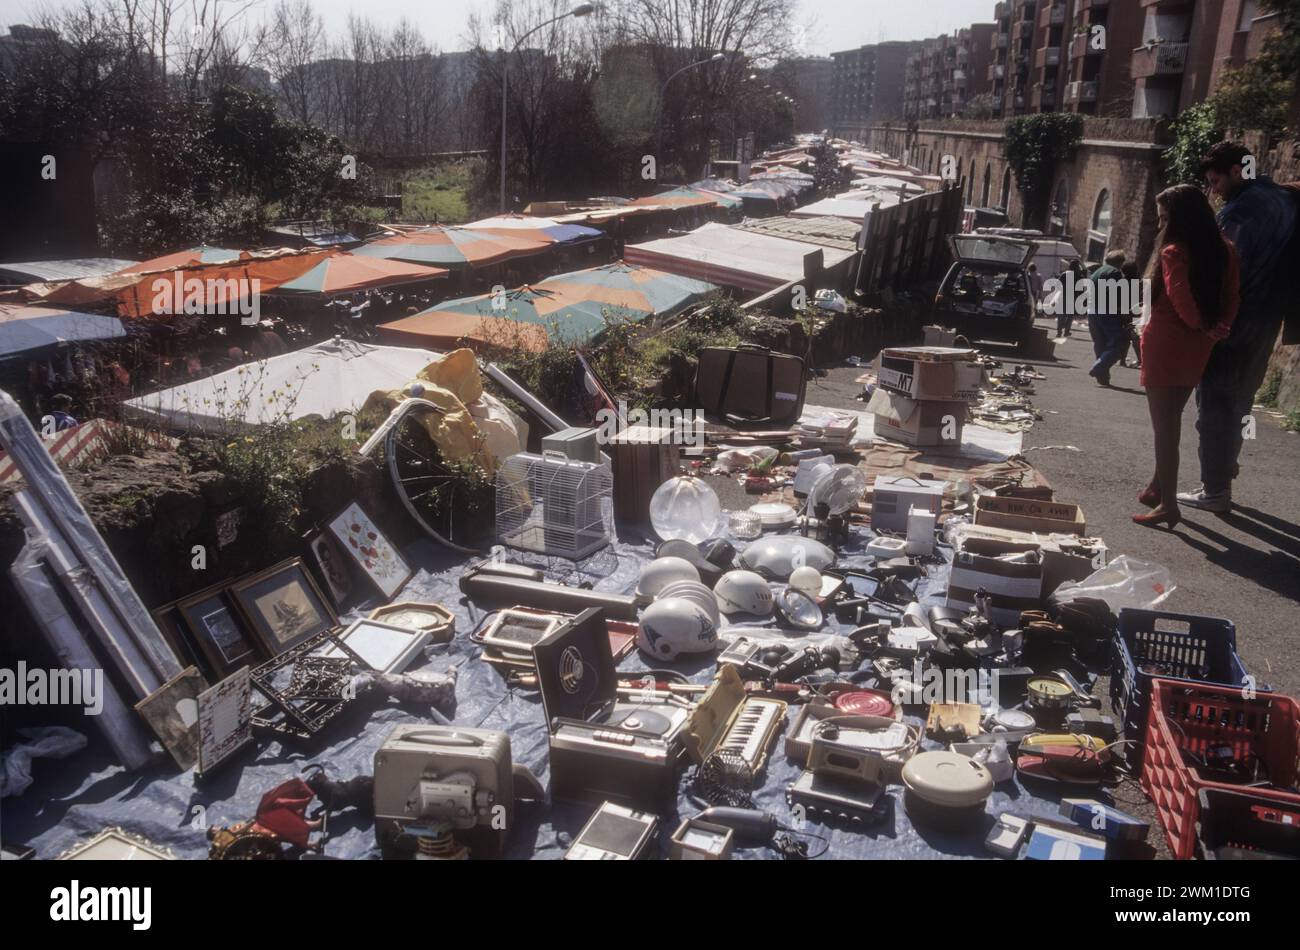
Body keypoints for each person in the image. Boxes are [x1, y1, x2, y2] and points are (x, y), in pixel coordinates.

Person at [1178, 141, 1298, 512]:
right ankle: (1224, 472)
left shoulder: (1239, 212)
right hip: (1268, 320)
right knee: (1241, 402)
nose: (1213, 190)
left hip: (1235, 321)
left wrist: (1202, 320)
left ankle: (1215, 489)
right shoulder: (1284, 198)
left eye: (1216, 180)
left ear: (1235, 170)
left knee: (1214, 403)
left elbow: (1225, 271)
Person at [1134, 184, 1239, 529]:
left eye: (1165, 217)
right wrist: (1216, 327)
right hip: (1199, 345)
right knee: (1173, 417)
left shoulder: (1174, 251)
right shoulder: (1227, 249)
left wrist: (1199, 324)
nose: (1162, 223)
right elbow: (1233, 296)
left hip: (1166, 340)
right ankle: (1156, 486)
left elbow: (1178, 296)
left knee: (1165, 429)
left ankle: (1168, 505)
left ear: (1178, 218)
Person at [1086, 250, 1127, 386]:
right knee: (1117, 343)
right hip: (1106, 311)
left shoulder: (1096, 272)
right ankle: (1099, 367)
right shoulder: (1115, 273)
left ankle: (1103, 378)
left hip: (1092, 311)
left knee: (1100, 343)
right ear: (1120, 262)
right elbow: (1117, 294)